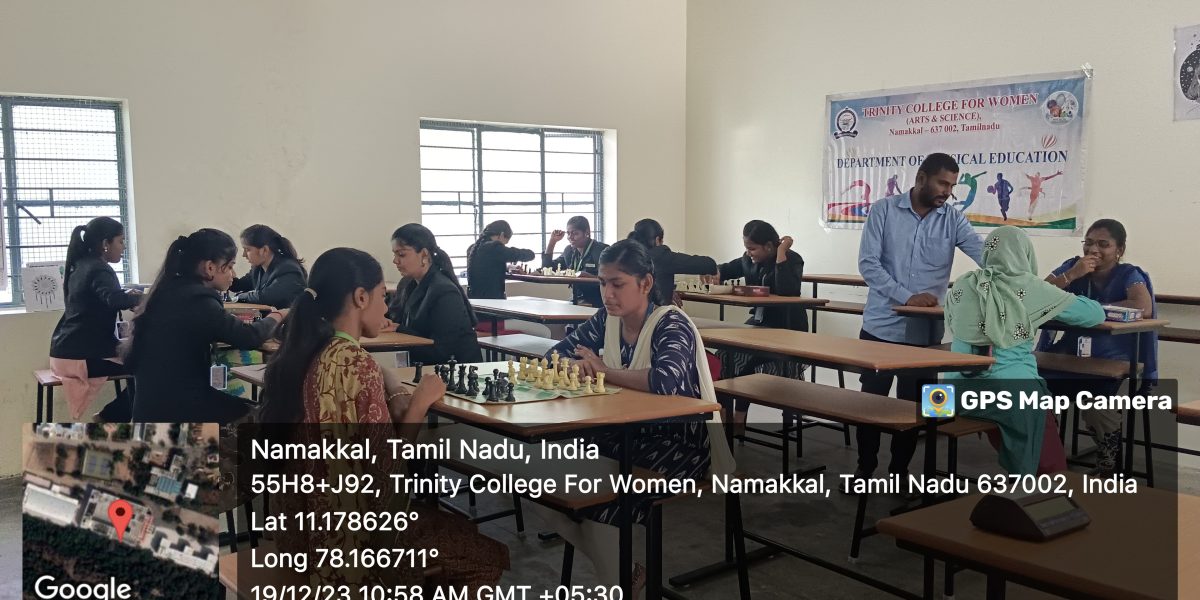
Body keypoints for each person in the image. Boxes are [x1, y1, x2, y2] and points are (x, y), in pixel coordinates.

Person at [259, 247, 509, 591]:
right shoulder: (356, 364)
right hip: (350, 543)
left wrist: (389, 382)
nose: (387, 307)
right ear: (361, 297)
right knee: (485, 554)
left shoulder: (305, 350)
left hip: (299, 532)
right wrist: (420, 403)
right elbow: (387, 474)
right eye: (382, 296)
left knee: (457, 530)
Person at [543, 239, 734, 588]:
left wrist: (602, 370)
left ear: (645, 283)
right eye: (603, 283)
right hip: (621, 433)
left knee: (599, 506)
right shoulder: (607, 320)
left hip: (677, 443)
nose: (607, 294)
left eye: (618, 284)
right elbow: (554, 355)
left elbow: (665, 381)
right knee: (546, 492)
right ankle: (628, 575)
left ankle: (617, 585)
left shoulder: (670, 323)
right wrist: (574, 364)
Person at [852, 152, 984, 488]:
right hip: (881, 327)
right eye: (943, 183)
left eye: (952, 186)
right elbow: (868, 264)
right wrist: (905, 295)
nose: (948, 192)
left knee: (915, 408)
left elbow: (983, 253)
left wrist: (1017, 273)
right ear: (921, 178)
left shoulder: (953, 219)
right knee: (870, 404)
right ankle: (864, 470)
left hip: (924, 335)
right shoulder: (883, 211)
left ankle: (900, 473)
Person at [945, 226, 1105, 474]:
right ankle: (1039, 486)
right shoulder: (1028, 287)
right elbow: (1094, 314)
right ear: (1025, 254)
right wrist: (1061, 293)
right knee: (1048, 457)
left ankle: (1019, 477)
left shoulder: (965, 284)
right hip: (1008, 394)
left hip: (954, 391)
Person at [125, 229, 284, 422]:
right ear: (210, 268)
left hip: (153, 405)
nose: (233, 274)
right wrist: (278, 315)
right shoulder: (198, 300)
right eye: (230, 266)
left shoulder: (169, 290)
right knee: (258, 416)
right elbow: (249, 337)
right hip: (177, 409)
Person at [1040, 219, 1157, 475]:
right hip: (1069, 355)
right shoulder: (1072, 266)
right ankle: (1048, 459)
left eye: (1103, 244)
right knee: (1032, 388)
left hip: (1109, 358)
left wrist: (1089, 310)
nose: (1094, 250)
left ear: (1119, 250)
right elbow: (1038, 294)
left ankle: (1108, 464)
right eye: (1089, 243)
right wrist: (1072, 275)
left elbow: (1142, 306)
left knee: (1098, 405)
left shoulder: (1129, 274)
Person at [717, 219, 806, 433]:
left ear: (768, 246)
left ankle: (738, 418)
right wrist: (715, 272)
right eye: (746, 248)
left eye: (752, 248)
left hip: (787, 327)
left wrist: (781, 253)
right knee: (723, 355)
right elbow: (727, 269)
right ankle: (725, 415)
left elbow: (787, 291)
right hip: (760, 323)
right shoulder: (748, 260)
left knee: (747, 364)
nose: (748, 253)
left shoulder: (793, 259)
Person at [49, 217, 141, 420]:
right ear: (106, 244)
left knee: (143, 363)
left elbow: (104, 297)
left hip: (64, 352)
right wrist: (144, 298)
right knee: (151, 368)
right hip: (82, 356)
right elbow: (114, 299)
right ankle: (109, 417)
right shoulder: (100, 268)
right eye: (121, 241)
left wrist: (127, 295)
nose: (124, 247)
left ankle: (111, 416)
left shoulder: (81, 265)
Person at [387, 223, 483, 364]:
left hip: (456, 369)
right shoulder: (407, 284)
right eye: (394, 254)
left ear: (424, 254)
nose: (395, 261)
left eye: (401, 254)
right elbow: (394, 318)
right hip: (424, 365)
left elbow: (442, 350)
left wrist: (399, 329)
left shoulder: (445, 291)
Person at [626, 218, 717, 304]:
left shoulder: (628, 256)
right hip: (654, 314)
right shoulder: (661, 256)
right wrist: (715, 268)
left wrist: (667, 290)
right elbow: (707, 264)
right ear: (657, 240)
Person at [229, 224, 307, 308]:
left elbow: (265, 297)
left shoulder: (288, 269)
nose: (244, 255)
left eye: (247, 249)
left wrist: (238, 297)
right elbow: (239, 285)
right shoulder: (258, 268)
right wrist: (227, 270)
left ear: (265, 250)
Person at [543, 215, 608, 306]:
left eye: (575, 233)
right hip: (577, 299)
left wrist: (588, 276)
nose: (570, 237)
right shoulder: (569, 251)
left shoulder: (601, 250)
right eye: (568, 233)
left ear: (586, 232)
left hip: (599, 301)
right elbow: (547, 268)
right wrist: (552, 241)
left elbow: (609, 280)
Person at [466, 220, 535, 299]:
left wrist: (508, 267)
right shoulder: (493, 247)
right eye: (504, 243)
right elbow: (519, 254)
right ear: (501, 235)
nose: (503, 246)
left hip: (474, 299)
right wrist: (531, 254)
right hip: (491, 299)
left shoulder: (473, 248)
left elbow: (487, 268)